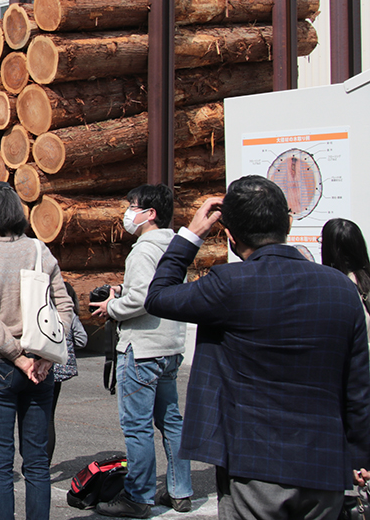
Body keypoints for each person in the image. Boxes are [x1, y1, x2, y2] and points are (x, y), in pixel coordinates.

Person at [145, 175, 370, 520]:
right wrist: (360, 457)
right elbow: (359, 389)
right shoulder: (342, 289)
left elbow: (158, 296)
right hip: (324, 464)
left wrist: (193, 234)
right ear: (288, 223)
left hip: (255, 464)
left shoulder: (230, 285)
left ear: (232, 237)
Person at [0, 181, 74, 520]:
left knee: (0, 466)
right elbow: (65, 307)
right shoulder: (39, 250)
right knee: (37, 464)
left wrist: (18, 359)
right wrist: (43, 359)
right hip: (41, 367)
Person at [90, 184, 192, 516]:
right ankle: (180, 490)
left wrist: (112, 306)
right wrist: (122, 288)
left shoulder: (144, 248)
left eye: (133, 206)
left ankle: (138, 495)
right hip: (171, 344)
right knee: (171, 420)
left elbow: (142, 299)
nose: (128, 212)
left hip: (143, 346)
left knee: (137, 425)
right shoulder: (175, 247)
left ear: (150, 213)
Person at [48, 286, 87, 468]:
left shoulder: (42, 311)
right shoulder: (70, 315)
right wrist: (68, 346)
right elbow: (82, 339)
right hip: (60, 370)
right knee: (49, 416)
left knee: (34, 415)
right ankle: (45, 463)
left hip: (41, 366)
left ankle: (33, 462)